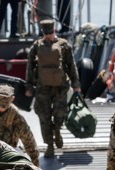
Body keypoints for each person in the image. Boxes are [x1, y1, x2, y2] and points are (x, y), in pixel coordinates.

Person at [25, 19, 81, 158]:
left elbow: (71, 65)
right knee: (44, 117)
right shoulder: (37, 46)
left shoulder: (63, 45)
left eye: (50, 32)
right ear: (43, 32)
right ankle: (50, 145)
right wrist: (29, 85)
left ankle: (57, 131)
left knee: (60, 114)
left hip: (60, 87)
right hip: (42, 87)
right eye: (46, 33)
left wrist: (76, 84)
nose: (48, 35)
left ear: (54, 30)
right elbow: (30, 66)